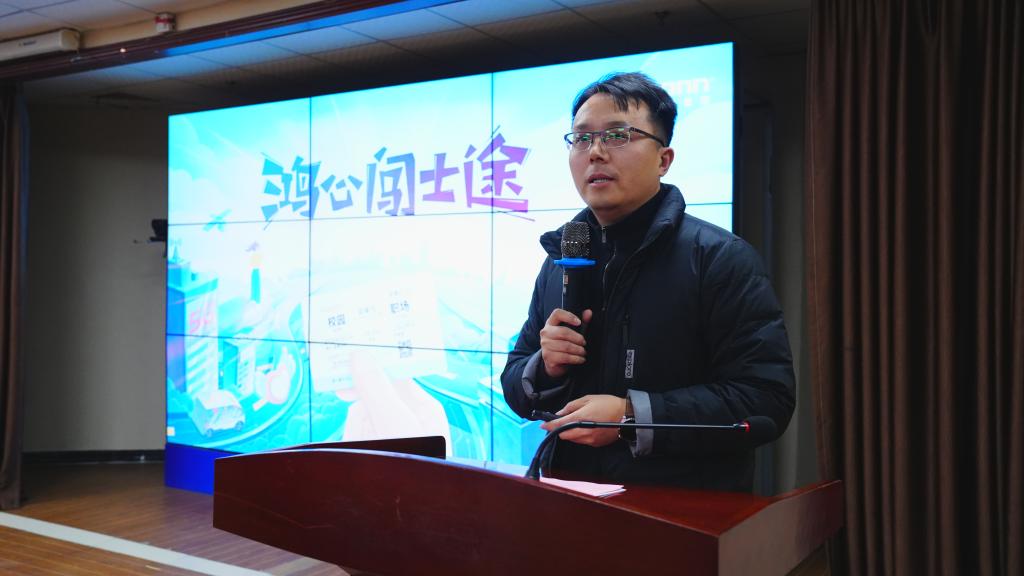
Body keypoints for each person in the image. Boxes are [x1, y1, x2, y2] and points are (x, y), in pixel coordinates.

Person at [500, 72, 795, 491]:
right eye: (581, 138)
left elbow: (766, 399)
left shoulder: (719, 258)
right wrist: (545, 366)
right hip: (570, 498)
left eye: (617, 135)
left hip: (680, 509)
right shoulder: (562, 259)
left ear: (663, 159)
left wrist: (630, 416)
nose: (595, 152)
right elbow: (515, 381)